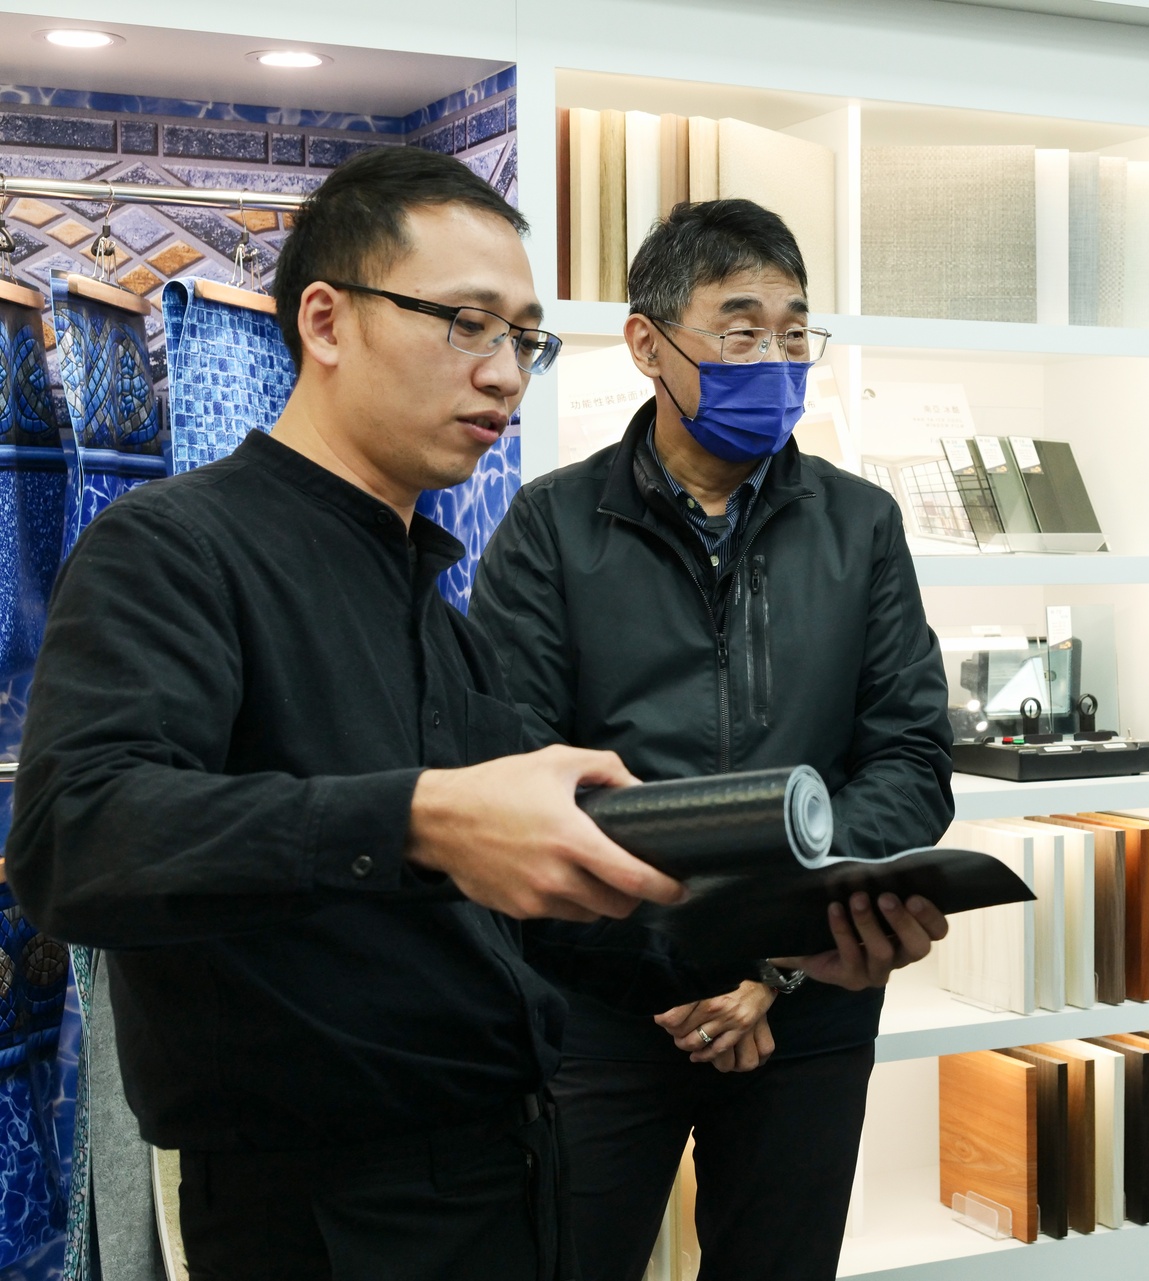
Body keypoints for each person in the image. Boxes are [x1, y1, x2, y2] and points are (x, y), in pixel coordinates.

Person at [4, 147, 687, 1279]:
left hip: (506, 1181)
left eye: (526, 339)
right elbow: (78, 837)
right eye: (468, 323)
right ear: (326, 321)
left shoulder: (434, 608)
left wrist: (780, 930)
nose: (506, 375)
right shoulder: (173, 550)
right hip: (323, 1220)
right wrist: (417, 819)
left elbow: (529, 922)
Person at [468, 198, 952, 1281]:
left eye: (794, 332)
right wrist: (680, 959)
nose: (774, 360)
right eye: (739, 332)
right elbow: (519, 778)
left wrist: (771, 961)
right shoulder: (551, 527)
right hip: (603, 1007)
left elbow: (911, 760)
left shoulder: (861, 524)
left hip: (809, 1001)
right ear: (648, 344)